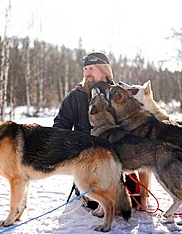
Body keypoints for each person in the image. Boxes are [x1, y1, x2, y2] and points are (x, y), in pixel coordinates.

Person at [53, 52, 140, 209]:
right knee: (97, 202)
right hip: (88, 160)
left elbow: (137, 123)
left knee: (131, 203)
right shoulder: (75, 96)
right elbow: (60, 126)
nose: (87, 73)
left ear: (104, 71)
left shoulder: (119, 94)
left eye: (92, 68)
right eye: (85, 69)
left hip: (119, 159)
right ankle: (84, 192)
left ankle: (133, 192)